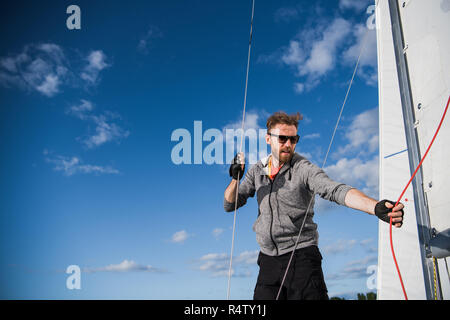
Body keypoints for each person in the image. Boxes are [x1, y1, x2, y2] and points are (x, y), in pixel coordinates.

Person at [223, 111, 404, 300]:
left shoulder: (303, 168)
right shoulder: (257, 171)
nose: (288, 145)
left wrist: (374, 207)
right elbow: (230, 204)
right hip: (268, 261)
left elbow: (335, 190)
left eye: (293, 140)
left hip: (301, 258)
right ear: (268, 139)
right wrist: (235, 179)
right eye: (283, 139)